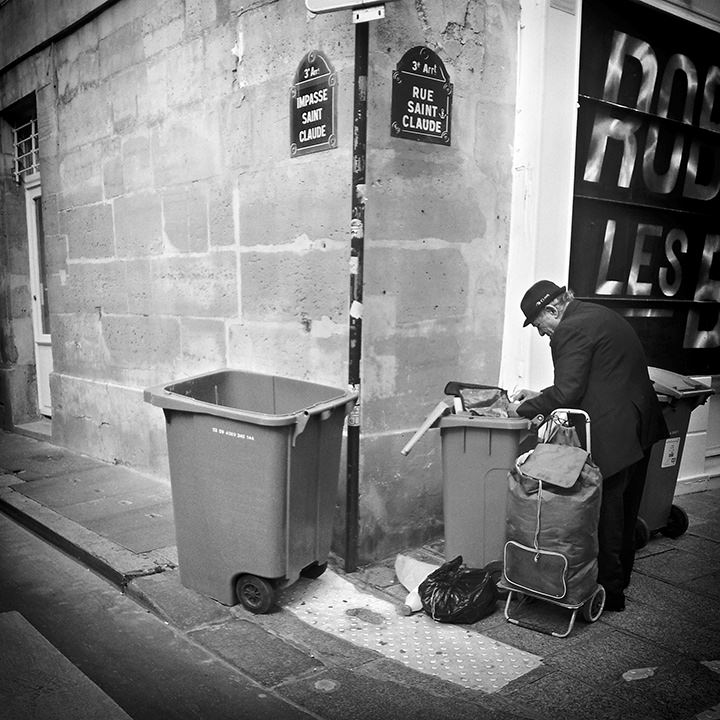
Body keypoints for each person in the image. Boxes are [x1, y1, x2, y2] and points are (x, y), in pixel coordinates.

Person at [507, 280, 668, 611]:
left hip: (614, 432)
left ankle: (609, 591)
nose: (541, 334)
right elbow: (589, 377)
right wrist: (540, 395)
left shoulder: (569, 330)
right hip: (639, 424)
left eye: (540, 325)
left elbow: (568, 394)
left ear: (552, 310)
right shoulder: (595, 314)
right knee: (625, 508)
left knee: (607, 511)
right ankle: (618, 581)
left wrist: (521, 409)